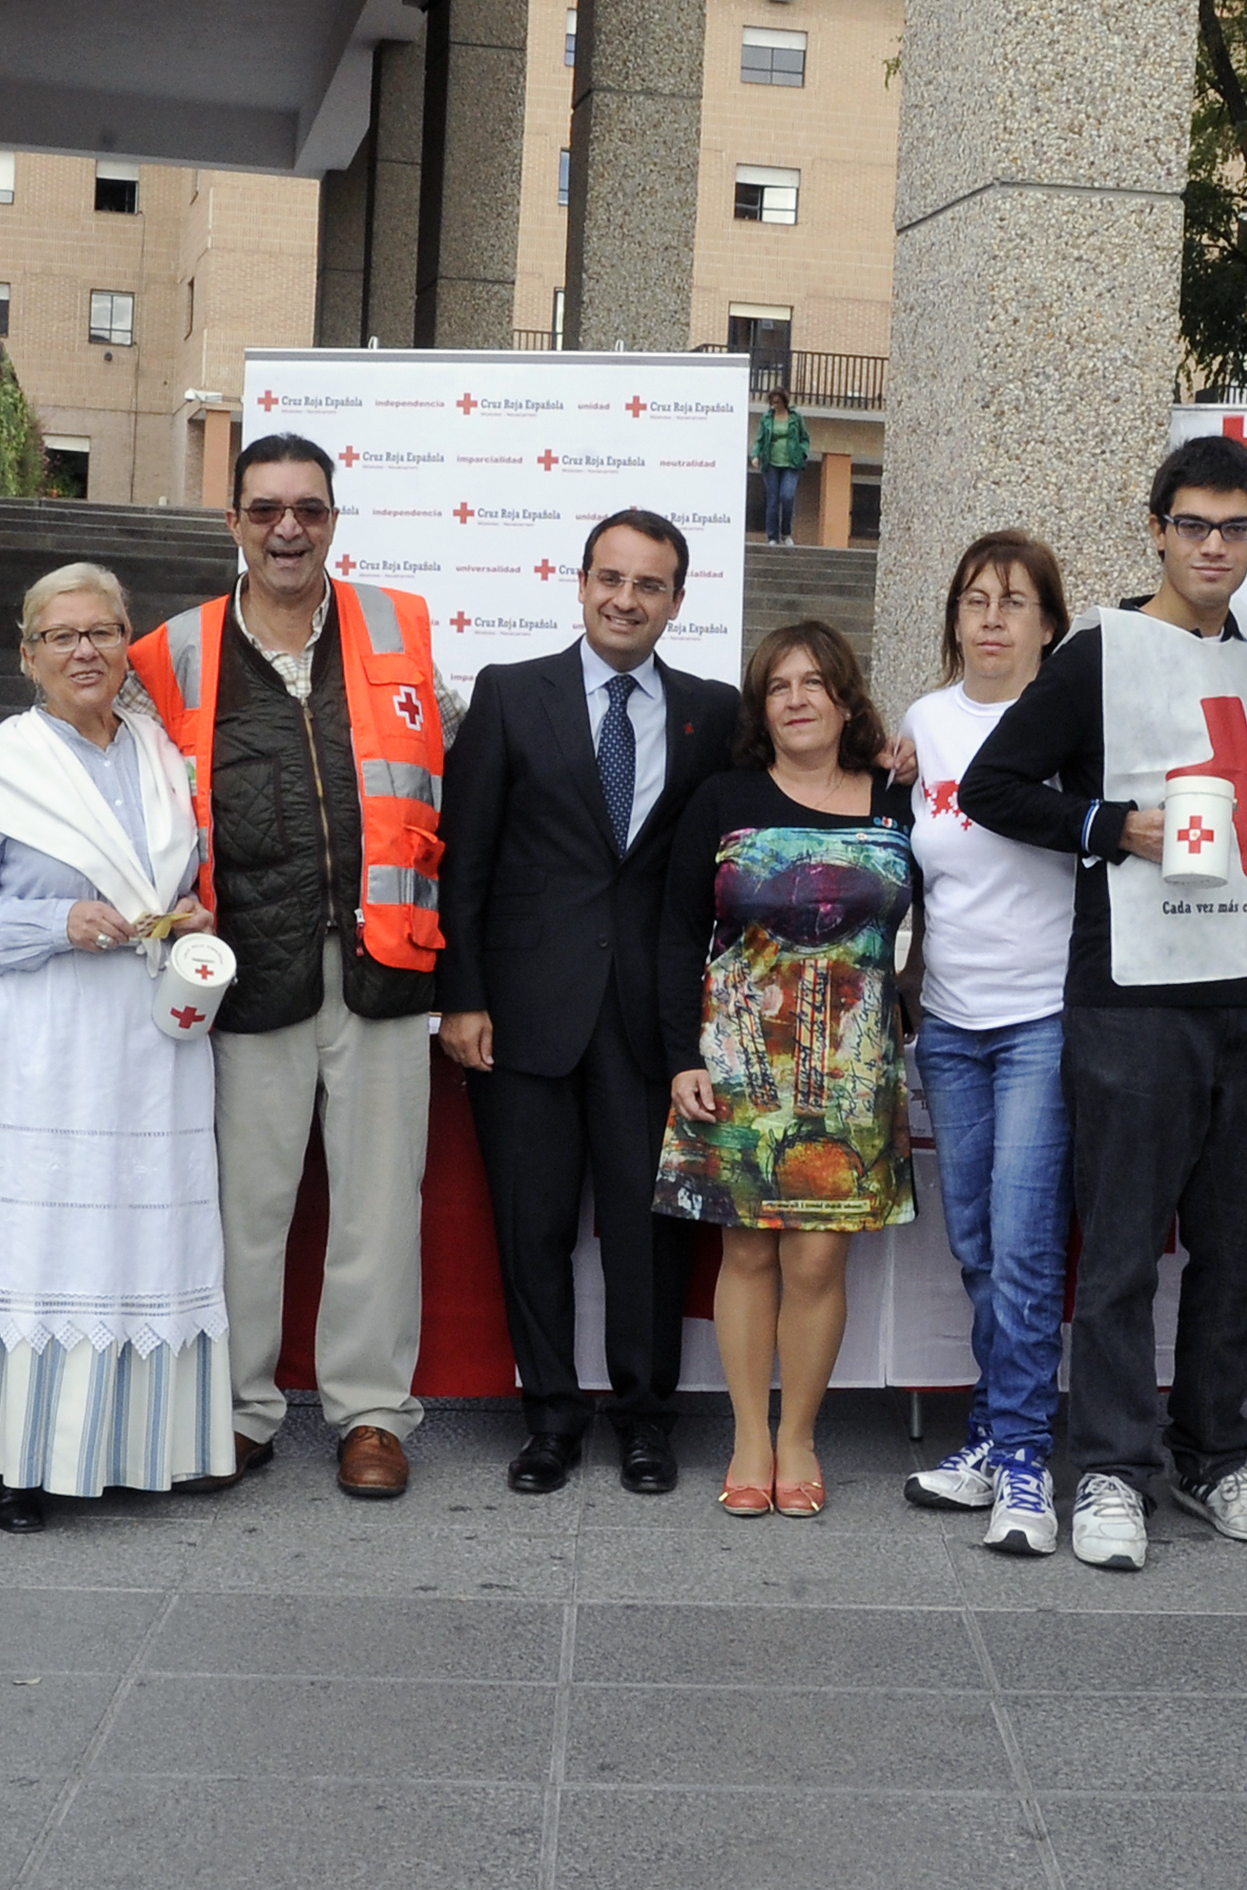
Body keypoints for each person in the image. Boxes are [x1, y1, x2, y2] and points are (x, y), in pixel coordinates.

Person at [963, 432, 1247, 1572]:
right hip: (1133, 989)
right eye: (1193, 525)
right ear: (1156, 530)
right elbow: (993, 783)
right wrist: (1107, 828)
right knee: (1126, 1244)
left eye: (1236, 527)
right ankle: (1113, 1469)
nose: (1215, 546)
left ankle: (1215, 1447)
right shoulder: (1099, 655)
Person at [129, 433, 454, 1500]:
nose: (288, 527)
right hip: (243, 967)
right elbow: (94, 759)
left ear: (332, 520)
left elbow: (463, 759)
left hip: (384, 961)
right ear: (233, 522)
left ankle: (370, 1413)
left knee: (376, 1206)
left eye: (309, 509)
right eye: (266, 508)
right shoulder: (172, 652)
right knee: (244, 1207)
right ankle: (237, 1409)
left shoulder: (396, 627)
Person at [0, 564, 233, 1531]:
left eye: (104, 633)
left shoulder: (164, 755)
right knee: (34, 1237)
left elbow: (176, 875)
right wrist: (54, 923)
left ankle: (130, 1442)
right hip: (34, 1035)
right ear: (27, 654)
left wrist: (184, 916)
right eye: (62, 636)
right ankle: (16, 1456)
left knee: (136, 1229)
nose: (86, 652)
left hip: (145, 1032)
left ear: (129, 645)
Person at [436, 509, 741, 1496]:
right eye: (610, 577)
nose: (625, 598)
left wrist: (889, 768)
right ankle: (552, 1420)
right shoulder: (512, 694)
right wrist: (464, 996)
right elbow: (467, 858)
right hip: (522, 1013)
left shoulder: (714, 714)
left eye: (648, 585)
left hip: (652, 1019)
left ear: (676, 602)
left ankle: (646, 1422)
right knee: (531, 1228)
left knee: (647, 1231)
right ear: (580, 584)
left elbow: (772, 808)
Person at [658, 621, 916, 1518]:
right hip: (738, 1061)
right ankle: (749, 1437)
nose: (798, 699)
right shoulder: (722, 797)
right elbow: (675, 934)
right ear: (760, 707)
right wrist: (678, 1057)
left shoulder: (895, 795)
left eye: (815, 682)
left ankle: (800, 1435)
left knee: (816, 1263)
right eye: (778, 686)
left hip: (853, 1067)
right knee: (745, 1251)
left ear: (847, 700)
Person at [895, 532, 1077, 1557]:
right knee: (975, 1244)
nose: (993, 619)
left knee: (1024, 1245)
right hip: (952, 1027)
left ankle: (1022, 1462)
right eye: (974, 601)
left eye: (1014, 602)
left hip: (1043, 1019)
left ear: (1049, 623)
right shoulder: (924, 722)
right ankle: (994, 1432)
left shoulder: (1070, 725)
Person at [752, 389, 811, 546]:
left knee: (787, 496)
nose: (775, 405)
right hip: (771, 463)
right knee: (773, 500)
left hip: (791, 463)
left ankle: (786, 533)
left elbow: (805, 438)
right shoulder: (766, 418)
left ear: (784, 402)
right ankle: (772, 536)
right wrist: (756, 455)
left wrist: (803, 452)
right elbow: (760, 439)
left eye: (778, 402)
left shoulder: (795, 417)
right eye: (773, 402)